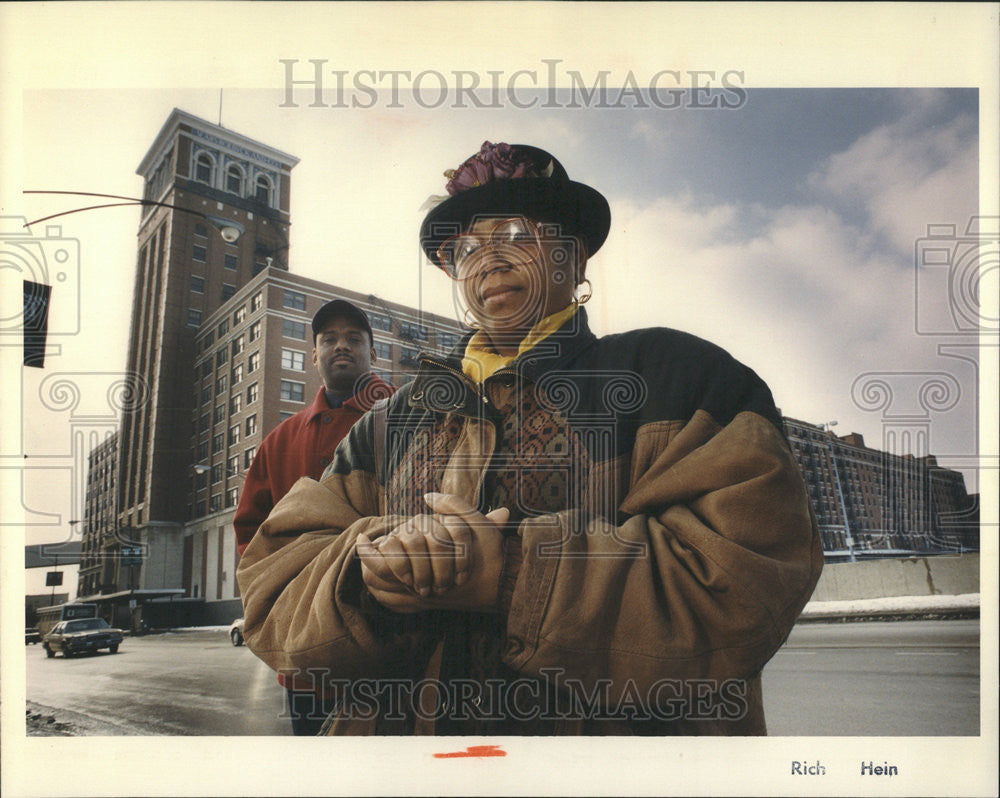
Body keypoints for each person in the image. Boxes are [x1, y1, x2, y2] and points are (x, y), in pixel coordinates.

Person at [237, 142, 823, 735]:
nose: (487, 258)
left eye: (516, 231)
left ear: (576, 256)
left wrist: (509, 574)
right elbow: (273, 581)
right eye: (463, 248)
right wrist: (368, 574)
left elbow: (747, 584)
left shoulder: (679, 375)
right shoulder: (389, 421)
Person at [233, 297, 394, 734]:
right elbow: (252, 533)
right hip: (309, 661)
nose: (341, 346)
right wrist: (284, 594)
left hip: (400, 650)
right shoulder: (279, 440)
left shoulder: (412, 415)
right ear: (314, 355)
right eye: (329, 340)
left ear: (373, 353)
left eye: (354, 339)